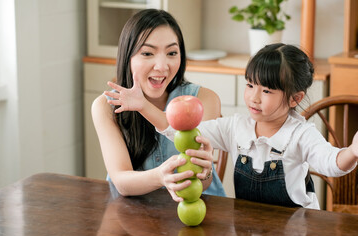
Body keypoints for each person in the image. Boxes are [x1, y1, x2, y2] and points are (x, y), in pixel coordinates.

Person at [114, 43, 358, 209]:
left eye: (267, 90)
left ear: (295, 98)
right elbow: (183, 131)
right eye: (250, 85)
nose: (253, 97)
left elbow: (333, 163)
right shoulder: (236, 127)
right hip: (248, 226)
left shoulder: (301, 134)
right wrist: (143, 106)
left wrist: (353, 151)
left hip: (297, 228)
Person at [91, 9, 225, 202]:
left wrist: (204, 171)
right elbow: (121, 181)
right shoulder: (105, 107)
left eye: (172, 53)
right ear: (127, 56)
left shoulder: (204, 100)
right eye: (147, 53)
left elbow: (202, 182)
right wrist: (160, 176)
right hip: (135, 215)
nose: (162, 66)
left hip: (199, 210)